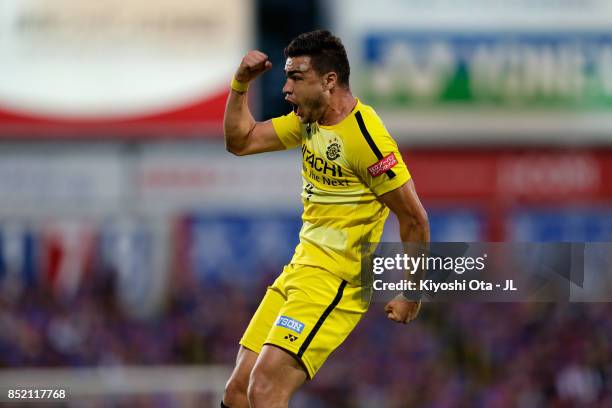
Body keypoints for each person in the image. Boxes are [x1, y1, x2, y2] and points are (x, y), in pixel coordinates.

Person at [221, 30, 429, 408]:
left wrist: (412, 292)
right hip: (300, 270)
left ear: (329, 81)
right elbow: (242, 140)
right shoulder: (308, 121)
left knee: (265, 388)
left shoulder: (366, 140)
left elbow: (414, 218)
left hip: (336, 282)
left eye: (296, 78)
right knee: (237, 393)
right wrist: (240, 85)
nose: (286, 88)